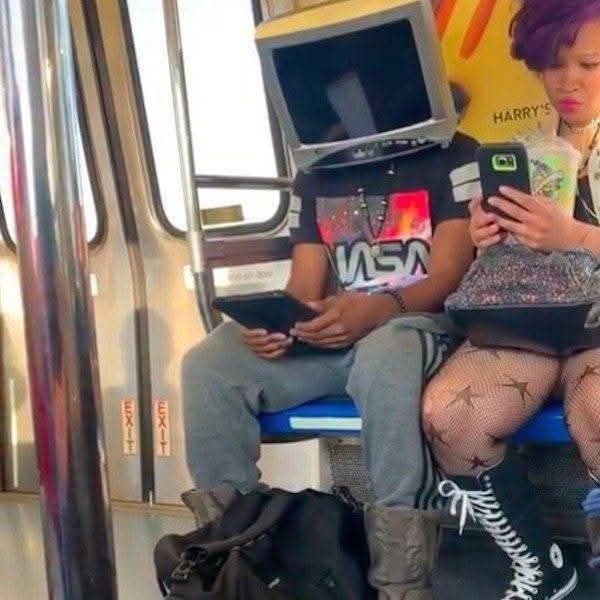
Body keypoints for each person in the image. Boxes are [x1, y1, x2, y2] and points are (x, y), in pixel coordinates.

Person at [181, 121, 478, 597]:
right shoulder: (316, 169)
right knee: (208, 364)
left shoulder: (454, 153)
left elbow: (450, 276)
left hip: (418, 324)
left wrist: (379, 310)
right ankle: (237, 553)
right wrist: (282, 325)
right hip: (337, 332)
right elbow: (305, 286)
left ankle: (402, 585)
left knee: (385, 353)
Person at [422, 2, 600, 599]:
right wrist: (486, 238)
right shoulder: (525, 153)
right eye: (553, 65)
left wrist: (574, 236)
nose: (568, 82)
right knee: (450, 414)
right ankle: (543, 567)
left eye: (589, 64)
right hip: (533, 319)